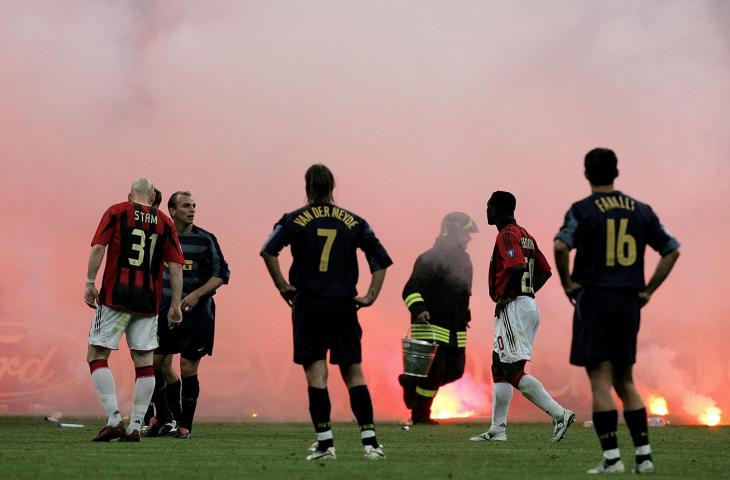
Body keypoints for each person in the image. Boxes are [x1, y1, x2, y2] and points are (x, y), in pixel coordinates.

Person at [554, 148, 680, 474]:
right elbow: (671, 249)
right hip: (628, 300)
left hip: (594, 298)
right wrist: (648, 290)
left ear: (586, 173)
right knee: (626, 378)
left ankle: (612, 459)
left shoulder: (582, 210)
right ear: (617, 172)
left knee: (600, 379)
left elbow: (559, 245)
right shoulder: (641, 210)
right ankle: (645, 456)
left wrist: (568, 284)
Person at [261, 164, 393, 461]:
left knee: (316, 374)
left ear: (307, 186)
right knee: (353, 372)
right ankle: (371, 444)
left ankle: (325, 445)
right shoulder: (355, 221)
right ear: (333, 186)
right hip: (344, 303)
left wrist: (283, 285)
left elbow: (268, 251)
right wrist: (370, 295)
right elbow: (380, 260)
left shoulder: (292, 219)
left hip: (309, 302)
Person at [84, 178, 184, 442]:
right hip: (149, 302)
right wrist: (175, 304)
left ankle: (115, 419)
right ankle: (136, 425)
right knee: (144, 361)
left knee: (96, 353)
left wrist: (89, 283)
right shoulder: (165, 221)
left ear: (130, 195)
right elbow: (175, 266)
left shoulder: (117, 211)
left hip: (116, 297)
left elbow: (98, 248)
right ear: (152, 197)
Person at [471, 191, 574, 443]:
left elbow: (516, 267)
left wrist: (508, 296)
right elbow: (545, 271)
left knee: (511, 368)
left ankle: (560, 414)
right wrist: (527, 293)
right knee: (499, 366)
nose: (486, 211)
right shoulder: (525, 234)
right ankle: (498, 429)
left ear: (496, 209)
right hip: (525, 303)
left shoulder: (506, 234)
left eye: (488, 206)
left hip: (514, 306)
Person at [144, 191, 230, 440]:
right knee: (153, 365)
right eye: (185, 206)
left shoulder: (205, 239)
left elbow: (221, 275)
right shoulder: (159, 238)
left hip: (198, 315)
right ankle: (164, 417)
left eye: (193, 205)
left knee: (187, 367)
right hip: (163, 312)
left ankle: (185, 425)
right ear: (172, 210)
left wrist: (195, 296)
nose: (191, 210)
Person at [399, 212, 477, 425]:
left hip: (456, 328)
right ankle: (420, 414)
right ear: (453, 232)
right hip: (431, 326)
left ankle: (410, 382)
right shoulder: (430, 258)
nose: (469, 239)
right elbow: (410, 289)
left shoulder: (464, 260)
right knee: (435, 373)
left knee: (455, 371)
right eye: (465, 234)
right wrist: (419, 309)